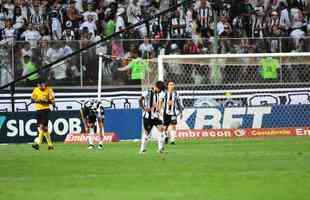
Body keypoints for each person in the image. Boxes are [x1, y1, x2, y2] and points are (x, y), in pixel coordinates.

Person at [139, 80, 165, 154]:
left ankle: (160, 149)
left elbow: (160, 103)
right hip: (148, 117)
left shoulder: (161, 93)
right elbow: (140, 100)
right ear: (156, 87)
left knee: (161, 129)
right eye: (160, 89)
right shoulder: (147, 92)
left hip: (156, 116)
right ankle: (142, 149)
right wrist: (144, 108)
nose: (160, 90)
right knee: (147, 133)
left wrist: (159, 109)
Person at [31, 79, 55, 150]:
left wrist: (47, 101)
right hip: (38, 110)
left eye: (41, 85)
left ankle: (38, 144)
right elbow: (32, 100)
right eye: (38, 85)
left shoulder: (49, 90)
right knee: (45, 128)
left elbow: (53, 102)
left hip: (46, 110)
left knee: (41, 126)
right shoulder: (35, 89)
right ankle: (50, 145)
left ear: (44, 84)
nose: (39, 87)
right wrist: (38, 100)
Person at [159, 80, 183, 145]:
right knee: (165, 127)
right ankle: (166, 136)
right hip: (165, 112)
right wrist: (159, 110)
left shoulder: (176, 94)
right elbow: (160, 102)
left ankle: (172, 141)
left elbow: (178, 103)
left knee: (173, 125)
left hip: (173, 112)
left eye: (173, 84)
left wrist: (181, 112)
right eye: (170, 84)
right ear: (168, 86)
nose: (172, 86)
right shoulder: (164, 93)